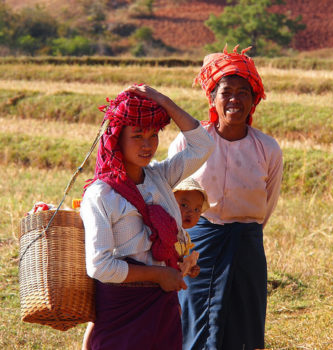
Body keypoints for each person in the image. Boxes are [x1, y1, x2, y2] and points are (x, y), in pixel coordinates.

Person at [80, 84, 214, 350]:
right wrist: (158, 275)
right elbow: (100, 267)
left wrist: (162, 100)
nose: (147, 145)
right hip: (122, 309)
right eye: (137, 136)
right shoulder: (101, 194)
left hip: (161, 304)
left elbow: (203, 145)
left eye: (153, 136)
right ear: (117, 137)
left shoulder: (159, 177)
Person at [168, 45, 283, 350]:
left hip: (246, 244)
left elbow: (267, 204)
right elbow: (171, 195)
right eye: (226, 91)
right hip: (198, 246)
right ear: (212, 98)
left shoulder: (267, 149)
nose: (235, 99)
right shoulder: (190, 144)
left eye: (244, 92)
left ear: (254, 100)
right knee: (193, 319)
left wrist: (246, 229)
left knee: (244, 323)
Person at [82, 177, 210, 350]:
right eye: (184, 205)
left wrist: (189, 268)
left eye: (197, 210)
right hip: (130, 288)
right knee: (98, 322)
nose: (190, 213)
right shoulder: (160, 225)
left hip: (165, 290)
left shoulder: (184, 237)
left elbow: (177, 260)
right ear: (170, 203)